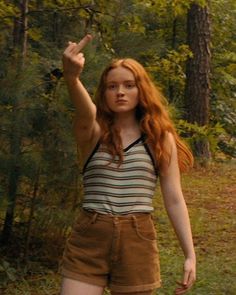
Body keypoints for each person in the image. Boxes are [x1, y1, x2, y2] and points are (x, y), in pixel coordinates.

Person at [59, 34, 196, 295]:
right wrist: (72, 78)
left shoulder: (159, 138)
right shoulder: (93, 131)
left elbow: (174, 198)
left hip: (137, 238)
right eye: (112, 86)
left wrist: (190, 254)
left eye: (128, 85)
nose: (120, 91)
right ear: (104, 92)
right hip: (90, 237)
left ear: (140, 89)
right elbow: (86, 111)